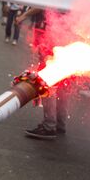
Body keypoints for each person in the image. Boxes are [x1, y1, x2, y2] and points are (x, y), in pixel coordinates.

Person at [17, 7, 68, 140]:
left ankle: (49, 126)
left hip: (54, 36)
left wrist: (25, 15)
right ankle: (59, 123)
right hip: (69, 35)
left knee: (48, 81)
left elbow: (45, 1)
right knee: (63, 83)